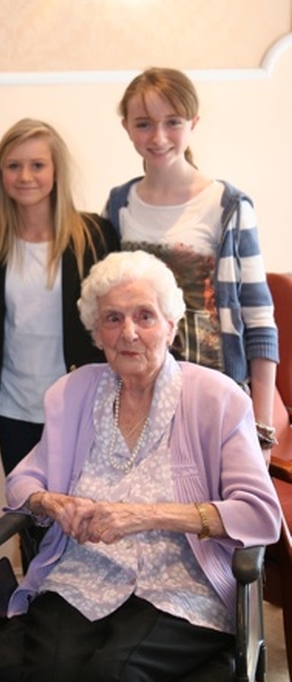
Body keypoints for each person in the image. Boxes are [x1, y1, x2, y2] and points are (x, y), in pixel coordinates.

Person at [3, 250, 281, 682]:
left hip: (179, 586)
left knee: (113, 678)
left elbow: (260, 514)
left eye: (144, 316)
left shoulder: (216, 399)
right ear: (96, 333)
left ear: (171, 325)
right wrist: (50, 503)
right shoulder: (72, 394)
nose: (128, 332)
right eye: (113, 318)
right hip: (80, 577)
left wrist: (147, 515)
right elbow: (24, 482)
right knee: (47, 678)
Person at [105, 67, 278, 452]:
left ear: (193, 123)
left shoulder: (228, 206)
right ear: (127, 128)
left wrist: (262, 430)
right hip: (138, 401)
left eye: (173, 122)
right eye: (145, 124)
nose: (159, 137)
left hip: (214, 399)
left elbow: (259, 320)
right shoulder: (119, 205)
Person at [0, 117, 119, 475]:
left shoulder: (93, 236)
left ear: (56, 172)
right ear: (1, 175)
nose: (25, 176)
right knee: (30, 519)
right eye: (14, 166)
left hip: (81, 405)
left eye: (37, 165)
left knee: (82, 520)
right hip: (15, 409)